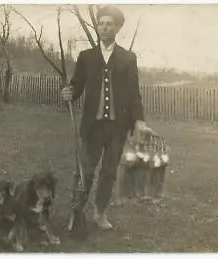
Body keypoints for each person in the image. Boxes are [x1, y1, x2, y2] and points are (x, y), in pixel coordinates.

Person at [62, 5, 154, 230]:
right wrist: (70, 93)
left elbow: (134, 93)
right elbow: (76, 85)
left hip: (117, 128)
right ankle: (77, 212)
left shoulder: (128, 58)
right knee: (84, 171)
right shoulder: (86, 57)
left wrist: (139, 120)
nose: (104, 28)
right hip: (92, 127)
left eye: (109, 24)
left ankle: (100, 212)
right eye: (101, 24)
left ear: (118, 27)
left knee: (109, 172)